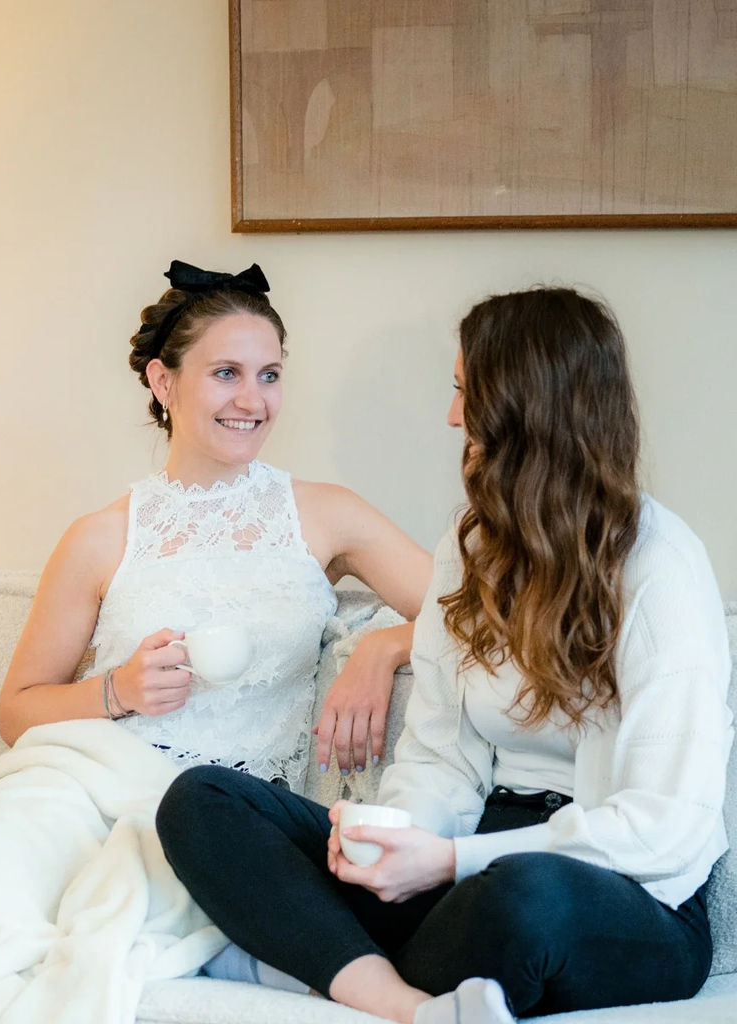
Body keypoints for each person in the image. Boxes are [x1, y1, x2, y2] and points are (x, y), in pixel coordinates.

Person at [155, 287, 733, 1023]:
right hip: (471, 866)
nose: (453, 417)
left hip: (621, 897)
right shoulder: (473, 546)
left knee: (523, 896)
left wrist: (455, 862)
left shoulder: (661, 567)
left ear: (526, 405)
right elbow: (440, 758)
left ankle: (311, 961)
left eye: (466, 392)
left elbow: (665, 829)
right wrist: (394, 845)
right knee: (205, 801)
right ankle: (401, 1000)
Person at [0, 259, 432, 795]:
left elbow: (482, 615)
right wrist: (118, 691)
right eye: (226, 373)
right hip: (93, 788)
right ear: (163, 381)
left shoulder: (328, 514)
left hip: (237, 813)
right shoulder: (100, 536)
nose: (252, 401)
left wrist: (381, 649)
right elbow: (15, 712)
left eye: (269, 375)